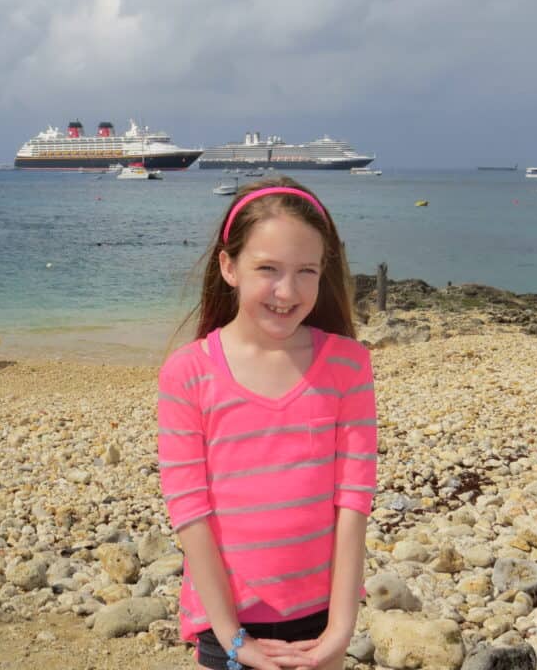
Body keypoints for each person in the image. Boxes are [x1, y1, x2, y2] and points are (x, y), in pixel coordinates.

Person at [158, 177, 377, 670]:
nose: (287, 290)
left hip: (320, 618)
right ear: (228, 266)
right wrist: (233, 637)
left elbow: (353, 497)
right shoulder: (188, 372)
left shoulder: (349, 365)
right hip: (226, 620)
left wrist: (340, 629)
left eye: (306, 271)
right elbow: (190, 509)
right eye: (267, 269)